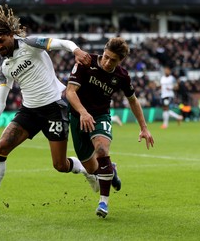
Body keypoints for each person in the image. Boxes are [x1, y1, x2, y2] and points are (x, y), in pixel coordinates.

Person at [0, 0, 95, 216]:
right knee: (1, 147)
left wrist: (76, 50)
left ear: (11, 34)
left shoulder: (31, 43)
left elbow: (63, 42)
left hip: (54, 108)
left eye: (1, 40)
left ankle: (86, 170)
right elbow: (1, 99)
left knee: (59, 165)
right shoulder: (5, 67)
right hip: (29, 112)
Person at [66, 37, 154, 218]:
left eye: (113, 60)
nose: (107, 62)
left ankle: (103, 202)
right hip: (78, 117)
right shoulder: (86, 62)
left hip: (100, 116)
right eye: (106, 56)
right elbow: (70, 92)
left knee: (101, 149)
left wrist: (144, 128)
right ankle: (110, 170)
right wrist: (83, 112)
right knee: (92, 169)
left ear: (120, 61)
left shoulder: (122, 76)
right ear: (103, 51)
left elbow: (133, 100)